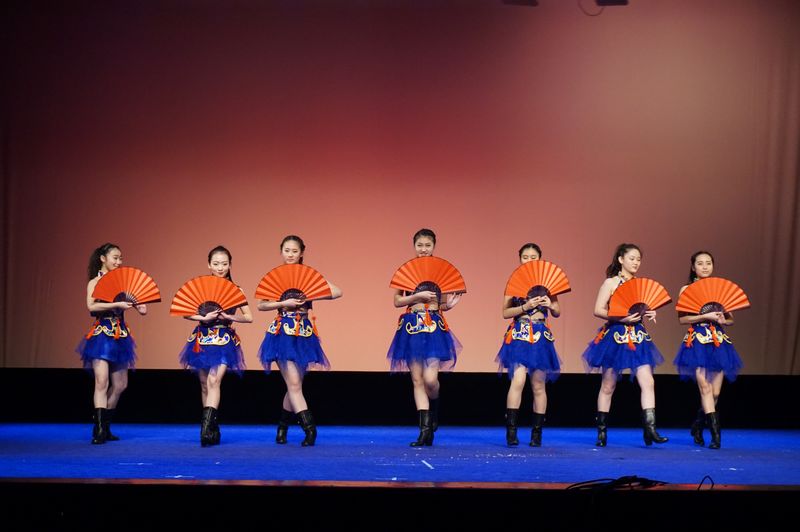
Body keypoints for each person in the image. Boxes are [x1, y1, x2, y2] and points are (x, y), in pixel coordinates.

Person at [257, 235, 342, 447]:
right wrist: (283, 303)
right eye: (286, 250)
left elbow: (337, 291)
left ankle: (282, 427)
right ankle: (310, 429)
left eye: (294, 251)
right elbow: (261, 305)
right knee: (294, 383)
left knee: (294, 385)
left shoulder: (308, 276)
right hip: (281, 334)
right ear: (281, 251)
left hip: (304, 334)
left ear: (301, 253)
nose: (290, 254)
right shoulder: (276, 276)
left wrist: (310, 294)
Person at [582, 243, 668, 447]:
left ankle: (650, 429)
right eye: (632, 258)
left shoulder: (640, 285)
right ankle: (602, 431)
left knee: (648, 382)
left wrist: (650, 312)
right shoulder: (611, 282)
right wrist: (621, 317)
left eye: (638, 259)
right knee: (608, 385)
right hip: (616, 336)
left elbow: (642, 306)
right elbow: (598, 309)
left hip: (638, 335)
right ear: (621, 259)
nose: (636, 262)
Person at [387, 228, 463, 447]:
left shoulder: (440, 270)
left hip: (434, 327)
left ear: (434, 246)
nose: (423, 249)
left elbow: (442, 304)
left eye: (427, 245)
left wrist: (448, 305)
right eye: (419, 245)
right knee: (417, 380)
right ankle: (424, 431)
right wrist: (417, 296)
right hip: (411, 326)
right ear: (414, 246)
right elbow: (397, 302)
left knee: (430, 379)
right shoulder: (406, 271)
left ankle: (434, 407)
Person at [179, 245, 252, 447]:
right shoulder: (200, 288)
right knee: (205, 384)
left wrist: (229, 316)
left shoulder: (236, 290)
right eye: (216, 263)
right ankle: (213, 428)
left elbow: (249, 317)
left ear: (230, 265)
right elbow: (185, 312)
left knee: (214, 381)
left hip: (224, 339)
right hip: (202, 338)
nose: (220, 268)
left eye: (224, 264)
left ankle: (204, 430)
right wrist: (202, 317)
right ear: (209, 265)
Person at [77, 243, 146, 444]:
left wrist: (140, 307)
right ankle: (99, 429)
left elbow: (140, 308)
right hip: (102, 336)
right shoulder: (95, 282)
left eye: (120, 258)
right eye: (115, 257)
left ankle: (105, 426)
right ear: (103, 258)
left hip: (120, 336)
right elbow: (91, 306)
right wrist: (116, 304)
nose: (118, 261)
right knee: (101, 381)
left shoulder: (123, 283)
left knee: (121, 385)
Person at [673, 251, 742, 449]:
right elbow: (682, 319)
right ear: (693, 267)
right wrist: (705, 317)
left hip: (717, 342)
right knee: (705, 388)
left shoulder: (719, 288)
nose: (705, 267)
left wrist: (722, 320)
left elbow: (730, 319)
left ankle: (697, 425)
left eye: (708, 263)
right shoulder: (686, 289)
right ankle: (716, 436)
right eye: (700, 263)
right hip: (697, 341)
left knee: (716, 393)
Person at [496, 243, 561, 447]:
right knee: (518, 380)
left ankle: (537, 433)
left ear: (539, 258)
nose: (529, 260)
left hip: (541, 335)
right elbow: (505, 312)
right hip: (520, 333)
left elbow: (557, 311)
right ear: (520, 259)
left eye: (533, 257)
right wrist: (525, 306)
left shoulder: (548, 282)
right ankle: (511, 431)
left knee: (538, 384)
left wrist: (550, 305)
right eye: (525, 257)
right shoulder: (514, 280)